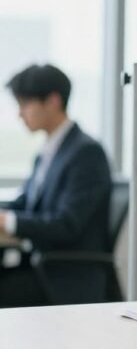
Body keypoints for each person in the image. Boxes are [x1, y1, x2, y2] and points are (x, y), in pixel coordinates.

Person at [0, 64, 113, 306]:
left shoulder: (86, 153)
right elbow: (26, 202)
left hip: (65, 278)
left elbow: (67, 224)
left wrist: (8, 222)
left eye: (25, 104)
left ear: (52, 101)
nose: (20, 114)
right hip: (41, 268)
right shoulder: (50, 150)